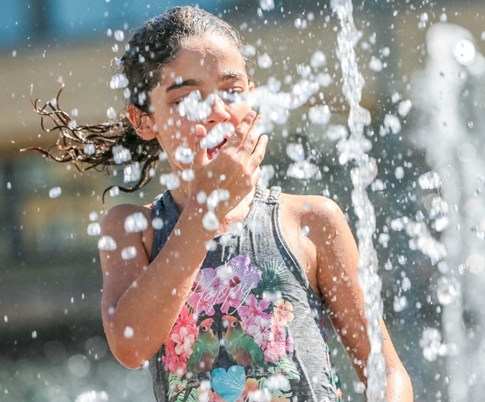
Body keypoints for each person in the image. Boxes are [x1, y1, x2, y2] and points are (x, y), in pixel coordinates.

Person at [27, 6, 412, 402]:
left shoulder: (311, 221)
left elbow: (387, 372)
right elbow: (131, 344)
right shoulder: (132, 229)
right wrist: (205, 211)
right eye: (185, 99)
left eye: (232, 91)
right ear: (144, 121)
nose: (215, 112)